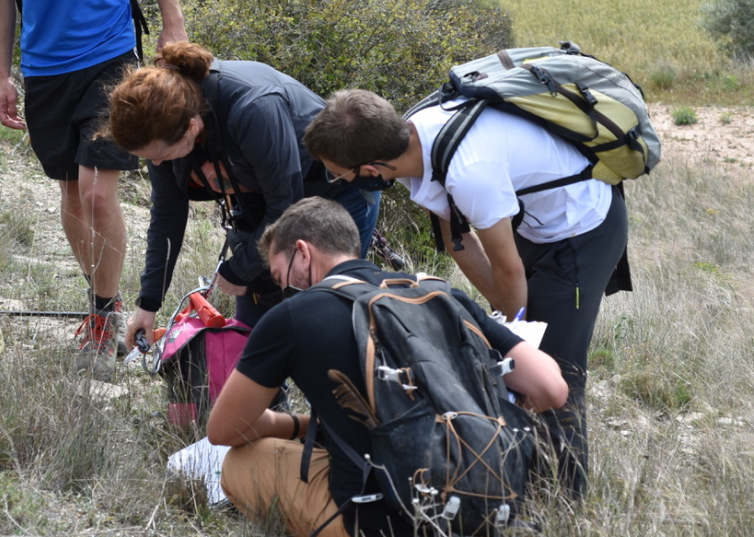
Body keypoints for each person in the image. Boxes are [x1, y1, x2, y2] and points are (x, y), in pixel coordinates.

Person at [302, 88, 630, 498]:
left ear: (371, 167)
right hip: (535, 224)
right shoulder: (414, 139)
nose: (339, 181)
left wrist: (515, 335)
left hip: (582, 227)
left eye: (339, 173)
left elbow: (508, 270)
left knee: (552, 364)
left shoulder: (469, 170)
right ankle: (519, 477)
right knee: (516, 360)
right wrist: (499, 322)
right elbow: (457, 238)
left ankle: (562, 499)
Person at [207, 197, 567, 537]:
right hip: (483, 503)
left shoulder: (290, 316)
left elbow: (224, 430)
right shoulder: (442, 294)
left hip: (375, 520)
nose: (282, 286)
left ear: (302, 253)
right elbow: (551, 388)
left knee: (238, 463)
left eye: (278, 275)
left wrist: (299, 425)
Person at [0, 0, 187, 380]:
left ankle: (104, 316)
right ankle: (102, 303)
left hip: (110, 57)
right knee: (69, 195)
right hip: (44, 71)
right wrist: (2, 76)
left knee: (97, 195)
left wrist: (173, 27)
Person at [106, 42, 382, 353]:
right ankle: (269, 398)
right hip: (261, 203)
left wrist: (241, 268)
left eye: (162, 156)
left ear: (192, 128)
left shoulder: (254, 108)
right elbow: (167, 217)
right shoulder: (163, 133)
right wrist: (148, 303)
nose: (157, 164)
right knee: (255, 325)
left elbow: (285, 207)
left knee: (325, 306)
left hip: (334, 193)